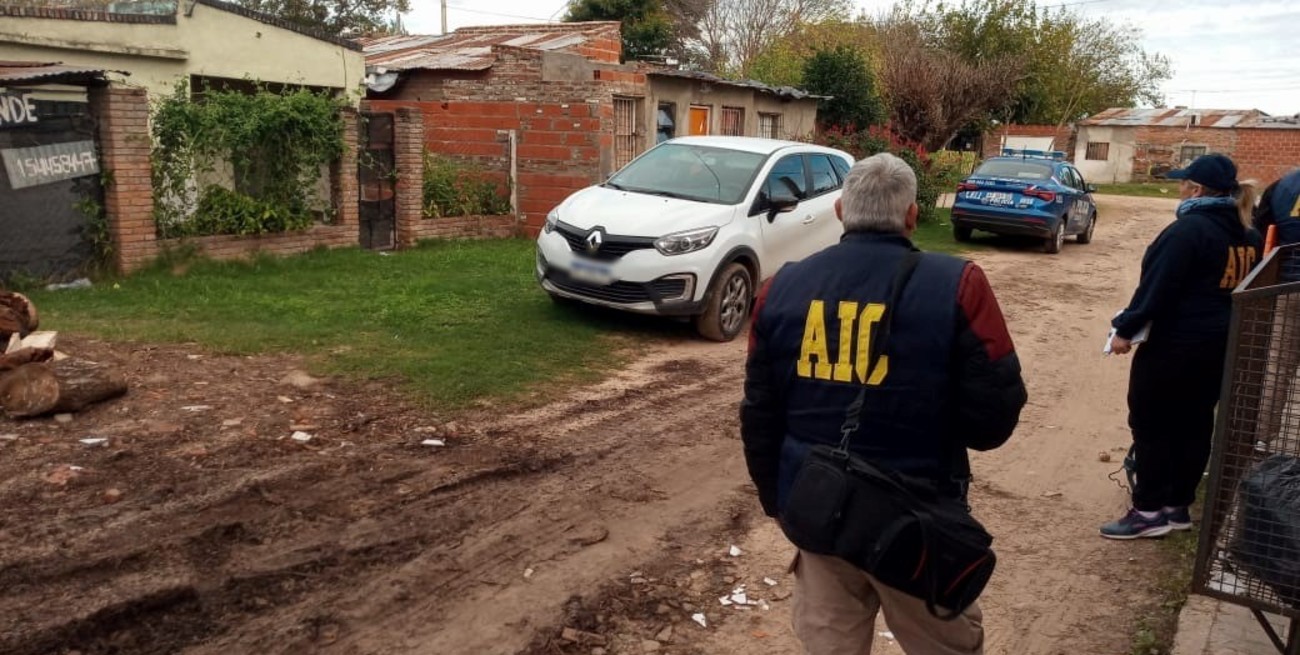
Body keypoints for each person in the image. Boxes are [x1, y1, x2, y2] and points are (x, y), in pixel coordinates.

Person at [740, 152, 1027, 654]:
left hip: (819, 511)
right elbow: (994, 420)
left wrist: (778, 502)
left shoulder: (779, 289)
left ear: (840, 211)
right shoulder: (960, 285)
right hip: (919, 522)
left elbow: (760, 414)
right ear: (912, 215)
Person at [1102, 153, 1263, 540]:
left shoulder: (1187, 232)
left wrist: (1125, 329)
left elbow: (1157, 289)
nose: (1179, 189)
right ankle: (1177, 506)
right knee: (1195, 423)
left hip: (1175, 346)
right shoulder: (1248, 235)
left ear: (1196, 190)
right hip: (1219, 346)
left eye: (1183, 183)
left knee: (1151, 423)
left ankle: (1148, 511)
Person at [1253, 168, 1300, 445]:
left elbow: (1261, 230)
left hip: (1289, 285)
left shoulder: (1283, 185)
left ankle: (1263, 438)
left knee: (1278, 366)